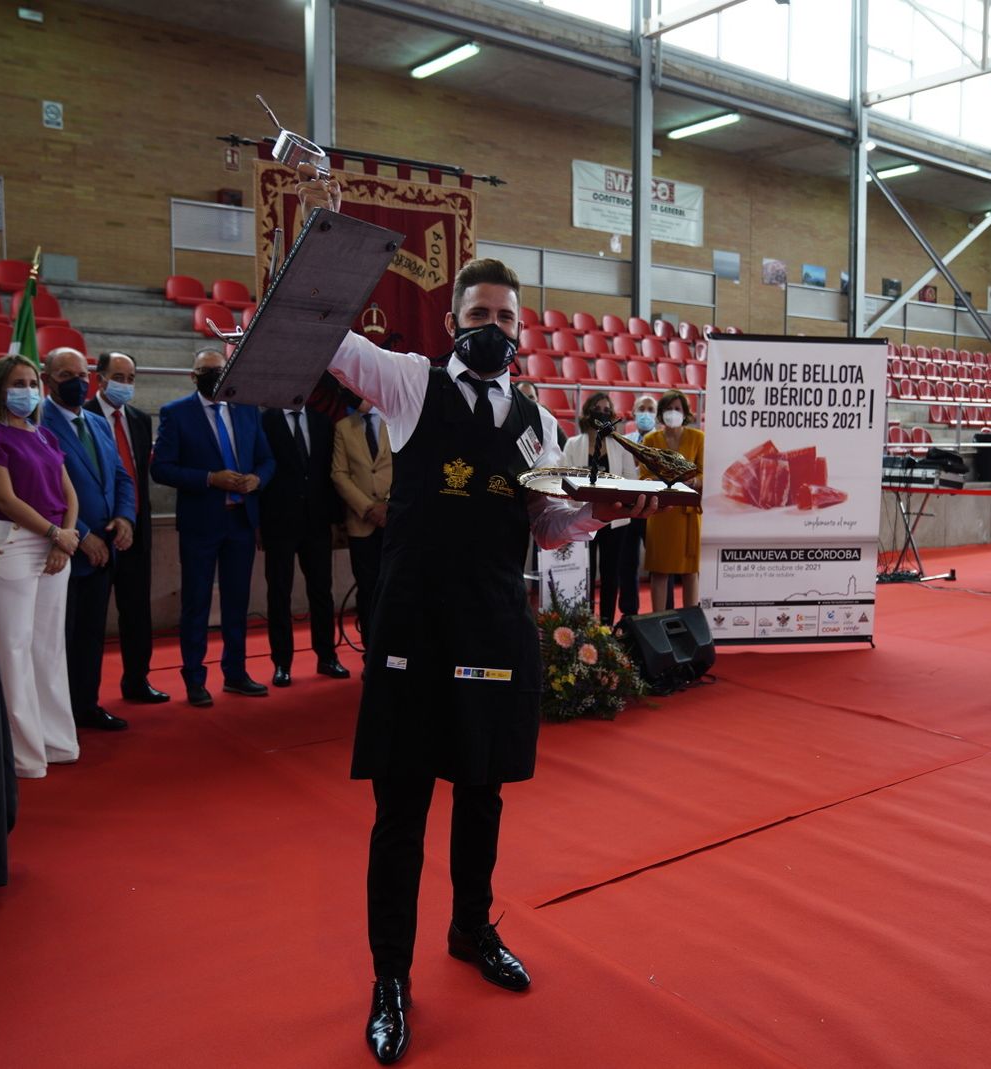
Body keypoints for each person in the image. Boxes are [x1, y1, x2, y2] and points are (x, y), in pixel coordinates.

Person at [297, 162, 659, 1068]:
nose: (492, 327)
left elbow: (548, 524)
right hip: (415, 627)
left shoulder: (538, 422)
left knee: (484, 792)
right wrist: (320, 226)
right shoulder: (409, 385)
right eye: (478, 314)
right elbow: (327, 336)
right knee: (402, 808)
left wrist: (601, 513)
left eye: (505, 316)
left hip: (494, 625)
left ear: (518, 325)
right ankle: (390, 976)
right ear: (452, 319)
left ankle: (469, 927)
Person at [0, 355, 81, 779]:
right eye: (18, 382)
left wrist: (65, 539)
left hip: (54, 546)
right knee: (12, 650)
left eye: (32, 382)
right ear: (0, 387)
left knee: (48, 649)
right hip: (9, 546)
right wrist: (56, 535)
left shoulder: (46, 435)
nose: (27, 390)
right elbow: (5, 499)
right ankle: (21, 754)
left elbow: (70, 492)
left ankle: (55, 742)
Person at [151, 347, 276, 707]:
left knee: (238, 602)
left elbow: (268, 459)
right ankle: (194, 678)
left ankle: (235, 673)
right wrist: (210, 478)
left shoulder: (247, 409)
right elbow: (161, 469)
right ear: (193, 376)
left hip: (240, 521)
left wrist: (257, 479)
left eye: (219, 370)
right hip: (201, 524)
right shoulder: (176, 413)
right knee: (197, 602)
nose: (215, 376)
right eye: (206, 371)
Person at [38, 347, 136, 733]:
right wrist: (82, 536)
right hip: (63, 552)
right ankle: (55, 716)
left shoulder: (96, 423)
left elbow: (121, 477)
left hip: (103, 553)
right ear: (47, 381)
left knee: (91, 636)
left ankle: (85, 705)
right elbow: (41, 492)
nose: (77, 382)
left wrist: (125, 518)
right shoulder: (38, 424)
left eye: (82, 374)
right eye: (65, 375)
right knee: (57, 639)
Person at [88, 351, 168, 704]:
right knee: (90, 620)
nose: (125, 385)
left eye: (131, 378)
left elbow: (136, 474)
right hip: (95, 533)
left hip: (135, 530)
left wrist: (132, 520)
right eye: (118, 377)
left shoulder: (137, 418)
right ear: (100, 378)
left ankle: (137, 681)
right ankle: (85, 694)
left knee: (137, 612)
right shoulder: (81, 416)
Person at [260, 394, 349, 686]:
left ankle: (327, 657)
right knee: (279, 594)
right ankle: (282, 663)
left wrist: (337, 521)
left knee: (322, 592)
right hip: (279, 523)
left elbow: (329, 474)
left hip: (317, 522)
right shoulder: (265, 421)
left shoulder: (323, 422)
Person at [562, 391, 640, 626]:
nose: (603, 412)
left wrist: (618, 496)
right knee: (585, 574)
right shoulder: (574, 444)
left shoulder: (620, 445)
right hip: (582, 517)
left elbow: (630, 479)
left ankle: (605, 625)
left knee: (610, 574)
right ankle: (584, 623)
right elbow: (564, 478)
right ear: (588, 412)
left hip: (614, 520)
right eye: (599, 407)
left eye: (608, 409)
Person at [332, 395, 392, 641]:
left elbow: (407, 466)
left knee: (395, 588)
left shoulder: (396, 422)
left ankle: (395, 651)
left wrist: (389, 506)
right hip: (361, 522)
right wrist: (368, 508)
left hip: (393, 520)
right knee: (367, 590)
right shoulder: (344, 427)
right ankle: (371, 650)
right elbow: (339, 474)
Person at [640, 388, 703, 613]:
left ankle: (691, 622)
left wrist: (695, 481)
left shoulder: (698, 438)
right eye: (668, 409)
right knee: (659, 571)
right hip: (661, 512)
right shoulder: (650, 439)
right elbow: (643, 475)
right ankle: (659, 620)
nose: (672, 413)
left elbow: (706, 473)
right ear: (661, 414)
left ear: (685, 413)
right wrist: (660, 482)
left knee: (690, 572)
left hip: (688, 514)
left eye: (677, 409)